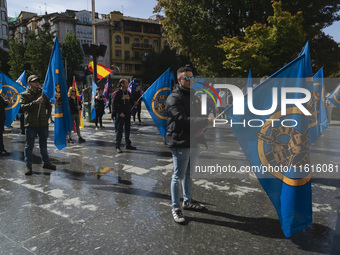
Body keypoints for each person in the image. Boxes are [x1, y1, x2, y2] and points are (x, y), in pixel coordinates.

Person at [165, 66, 214, 223]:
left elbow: (200, 116)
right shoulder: (173, 98)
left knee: (189, 174)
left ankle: (188, 201)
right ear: (180, 80)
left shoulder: (194, 96)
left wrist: (203, 128)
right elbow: (181, 120)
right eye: (187, 78)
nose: (191, 81)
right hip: (180, 141)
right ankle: (175, 207)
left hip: (194, 140)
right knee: (178, 175)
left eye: (192, 78)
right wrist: (204, 122)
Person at [20, 75, 56, 175]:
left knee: (43, 145)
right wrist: (35, 103)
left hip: (43, 124)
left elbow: (49, 106)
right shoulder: (24, 94)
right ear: (29, 83)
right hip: (31, 124)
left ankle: (46, 162)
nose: (37, 82)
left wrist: (47, 115)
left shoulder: (43, 93)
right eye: (34, 81)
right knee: (29, 146)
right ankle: (28, 166)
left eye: (38, 81)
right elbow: (23, 108)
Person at [113, 79, 137, 153]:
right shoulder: (117, 93)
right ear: (122, 84)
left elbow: (131, 102)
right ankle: (118, 146)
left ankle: (128, 144)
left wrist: (135, 103)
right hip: (120, 115)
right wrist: (120, 112)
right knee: (119, 131)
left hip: (127, 114)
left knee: (127, 129)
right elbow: (114, 105)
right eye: (126, 83)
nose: (127, 84)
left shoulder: (128, 93)